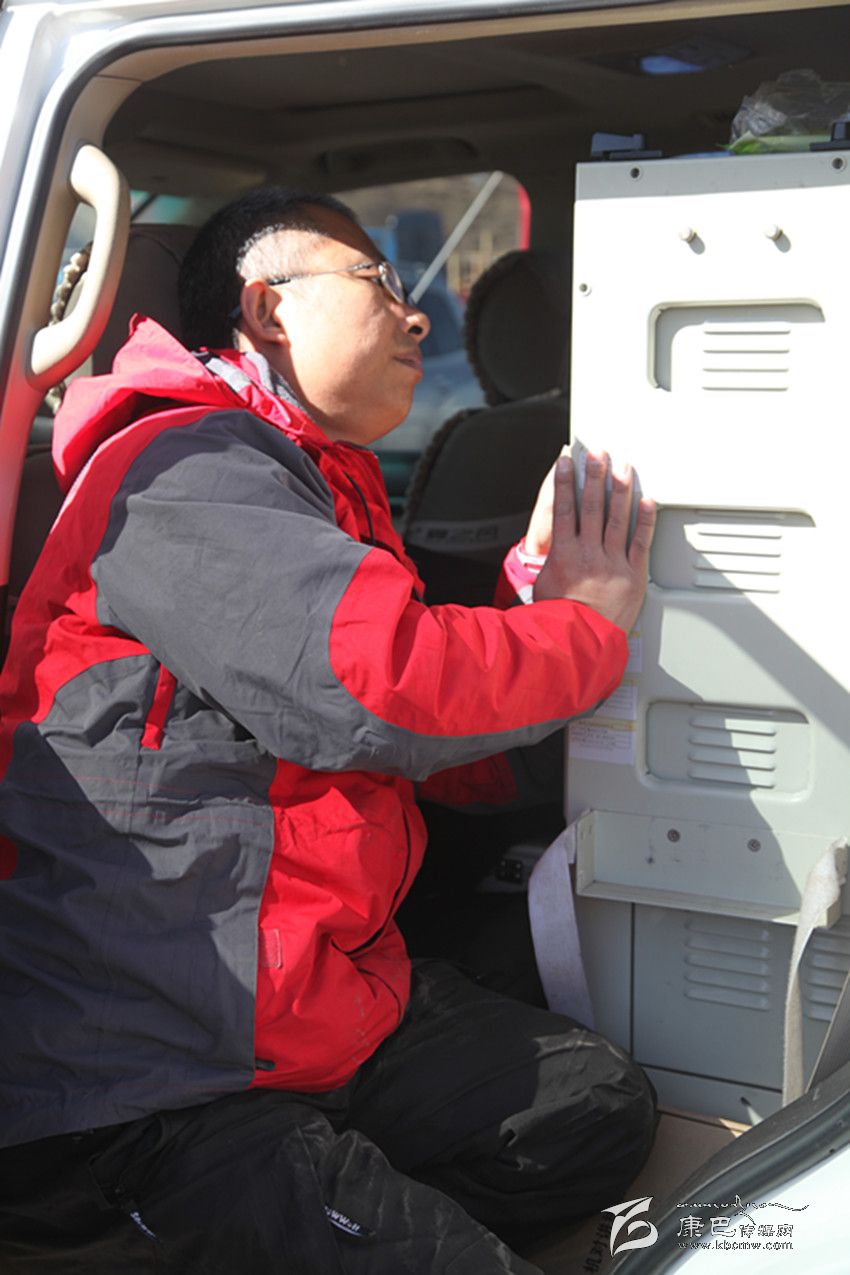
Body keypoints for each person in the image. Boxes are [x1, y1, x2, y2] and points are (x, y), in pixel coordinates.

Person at [0, 187, 658, 1273]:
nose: (416, 313)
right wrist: (577, 629)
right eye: (378, 282)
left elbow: (406, 742)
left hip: (308, 1012)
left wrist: (529, 617)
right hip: (156, 1064)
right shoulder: (180, 471)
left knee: (590, 1110)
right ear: (268, 310)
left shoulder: (310, 479)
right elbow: (374, 685)